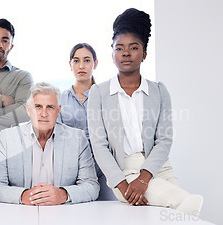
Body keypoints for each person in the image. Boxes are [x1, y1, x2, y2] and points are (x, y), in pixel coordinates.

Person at [87, 8, 203, 215]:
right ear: (112, 53)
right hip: (124, 171)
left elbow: (165, 139)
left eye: (133, 47)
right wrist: (122, 185)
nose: (125, 53)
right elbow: (99, 145)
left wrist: (144, 177)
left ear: (144, 54)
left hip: (159, 167)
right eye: (119, 47)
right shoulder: (99, 93)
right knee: (189, 204)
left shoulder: (158, 91)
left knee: (178, 214)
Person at [0, 82, 99, 205]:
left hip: (64, 213)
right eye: (38, 106)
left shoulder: (77, 138)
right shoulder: (7, 138)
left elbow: (91, 186)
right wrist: (23, 195)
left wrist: (63, 195)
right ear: (28, 110)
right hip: (19, 214)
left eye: (50, 107)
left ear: (58, 111)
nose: (44, 114)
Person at [57, 43, 116, 201]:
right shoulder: (60, 99)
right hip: (72, 169)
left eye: (87, 60)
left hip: (103, 169)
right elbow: (56, 136)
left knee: (110, 211)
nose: (81, 66)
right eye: (76, 61)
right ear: (70, 64)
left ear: (95, 64)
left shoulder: (107, 97)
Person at [0, 18, 34, 164]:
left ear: (11, 46)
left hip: (6, 156)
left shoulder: (22, 77)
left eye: (5, 40)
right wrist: (0, 100)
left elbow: (24, 112)